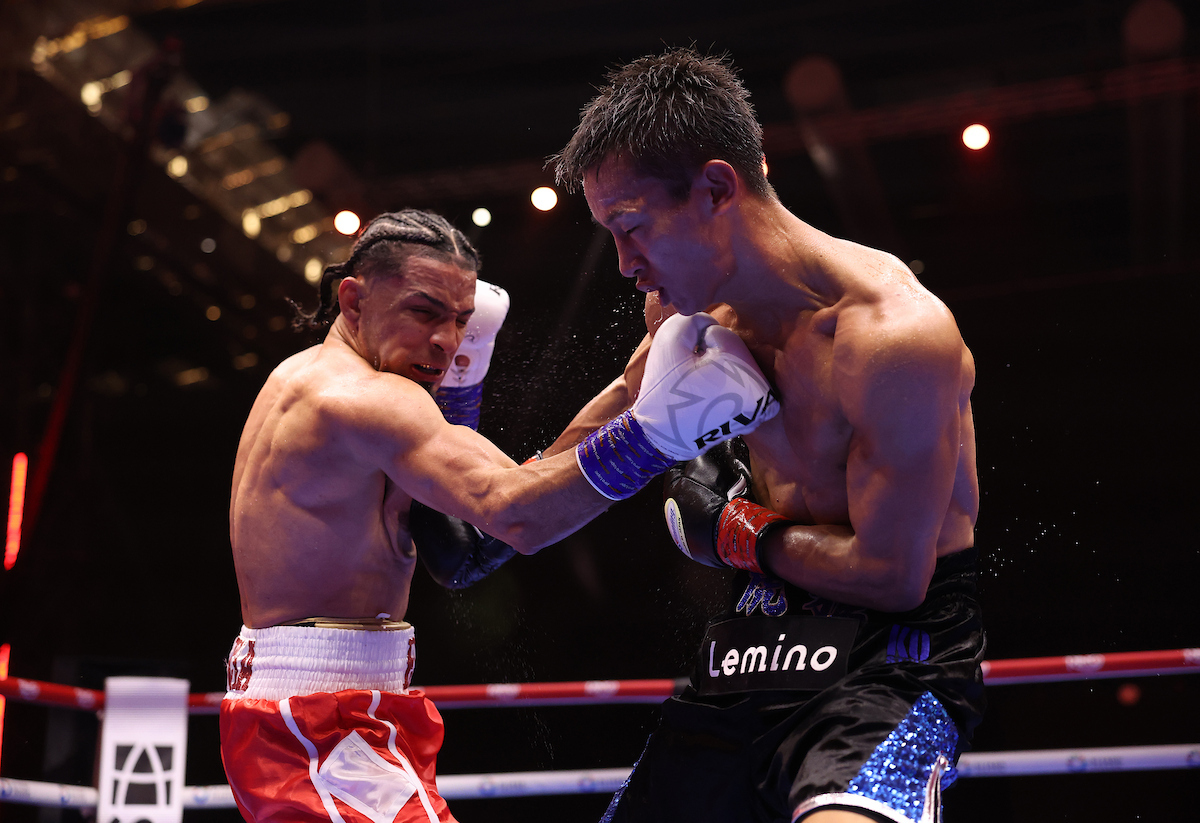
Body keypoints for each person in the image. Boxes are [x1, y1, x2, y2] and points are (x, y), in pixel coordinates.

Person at [219, 209, 779, 823]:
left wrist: (633, 386)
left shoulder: (307, 377)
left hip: (326, 704)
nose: (446, 340)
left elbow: (472, 541)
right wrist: (656, 435)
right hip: (321, 722)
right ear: (353, 300)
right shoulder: (367, 400)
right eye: (424, 312)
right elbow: (516, 519)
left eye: (462, 320)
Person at [550, 48, 985, 823]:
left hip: (887, 661)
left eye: (633, 227)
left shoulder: (892, 337)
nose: (624, 264)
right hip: (752, 641)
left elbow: (894, 575)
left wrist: (736, 530)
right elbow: (614, 413)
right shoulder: (685, 312)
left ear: (717, 188)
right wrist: (490, 497)